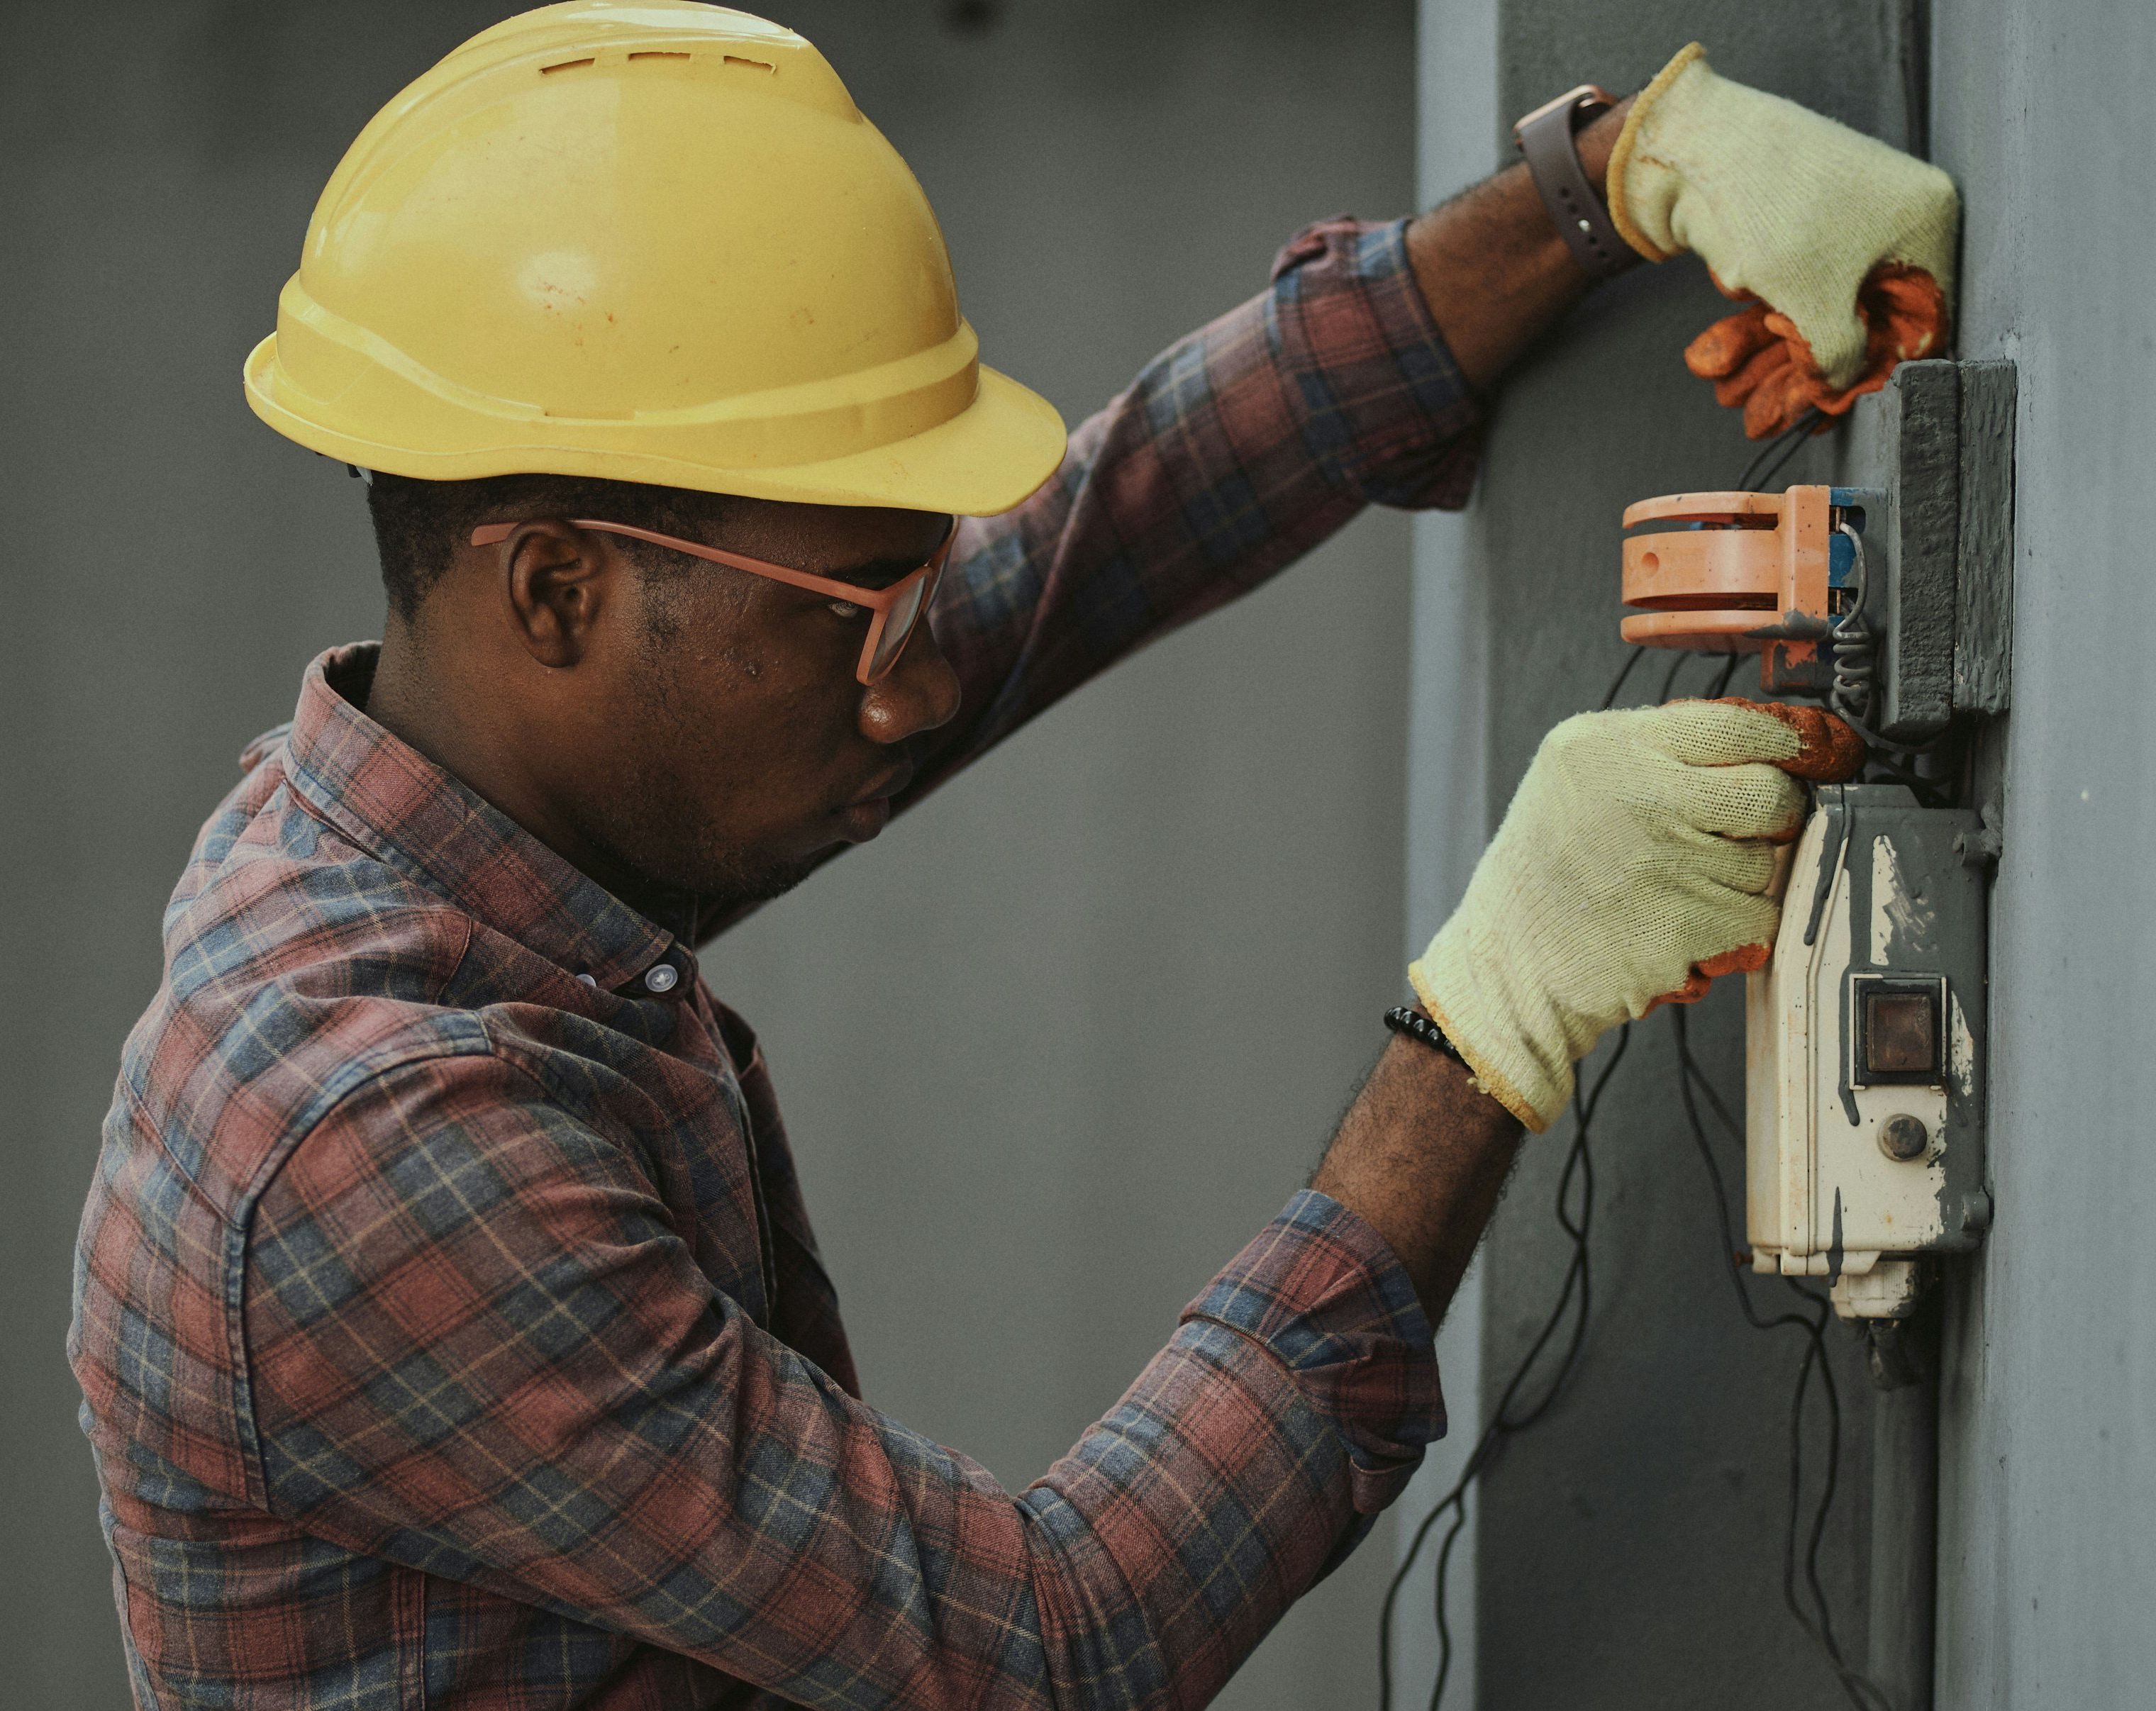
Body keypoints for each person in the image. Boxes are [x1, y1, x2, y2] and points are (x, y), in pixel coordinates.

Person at [70, 6, 1956, 1707]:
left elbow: (1094, 537)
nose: (908, 694)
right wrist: (1487, 1026)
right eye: (857, 619)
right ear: (557, 587)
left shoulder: (440, 806)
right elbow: (1050, 1651)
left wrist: (1606, 184)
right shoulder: (371, 1146)